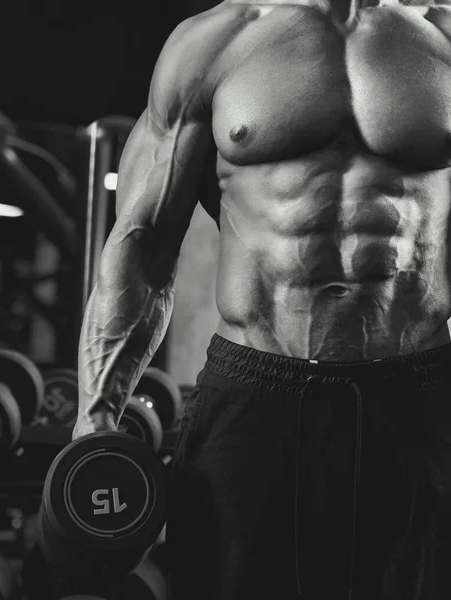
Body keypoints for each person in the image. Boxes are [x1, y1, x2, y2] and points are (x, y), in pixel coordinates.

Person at [73, 0, 451, 598]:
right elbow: (142, 245)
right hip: (257, 398)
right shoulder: (213, 43)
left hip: (418, 399)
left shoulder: (441, 39)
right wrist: (96, 412)